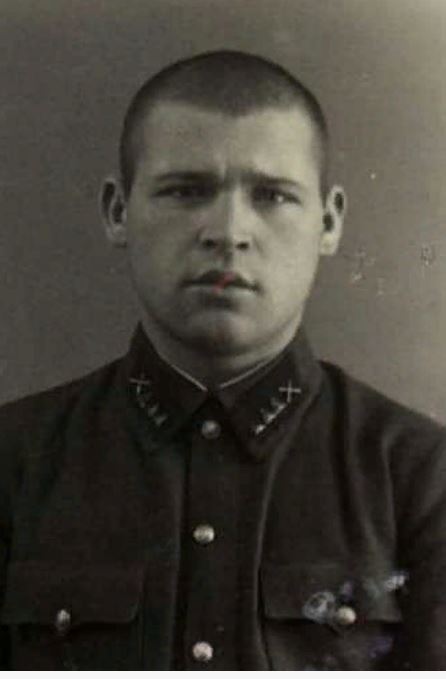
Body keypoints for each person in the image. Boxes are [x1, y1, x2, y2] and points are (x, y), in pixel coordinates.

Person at [0, 50, 445, 671]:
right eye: (186, 191)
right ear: (118, 211)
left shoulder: (422, 478)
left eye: (272, 195)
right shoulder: (15, 462)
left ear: (329, 221)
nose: (229, 231)